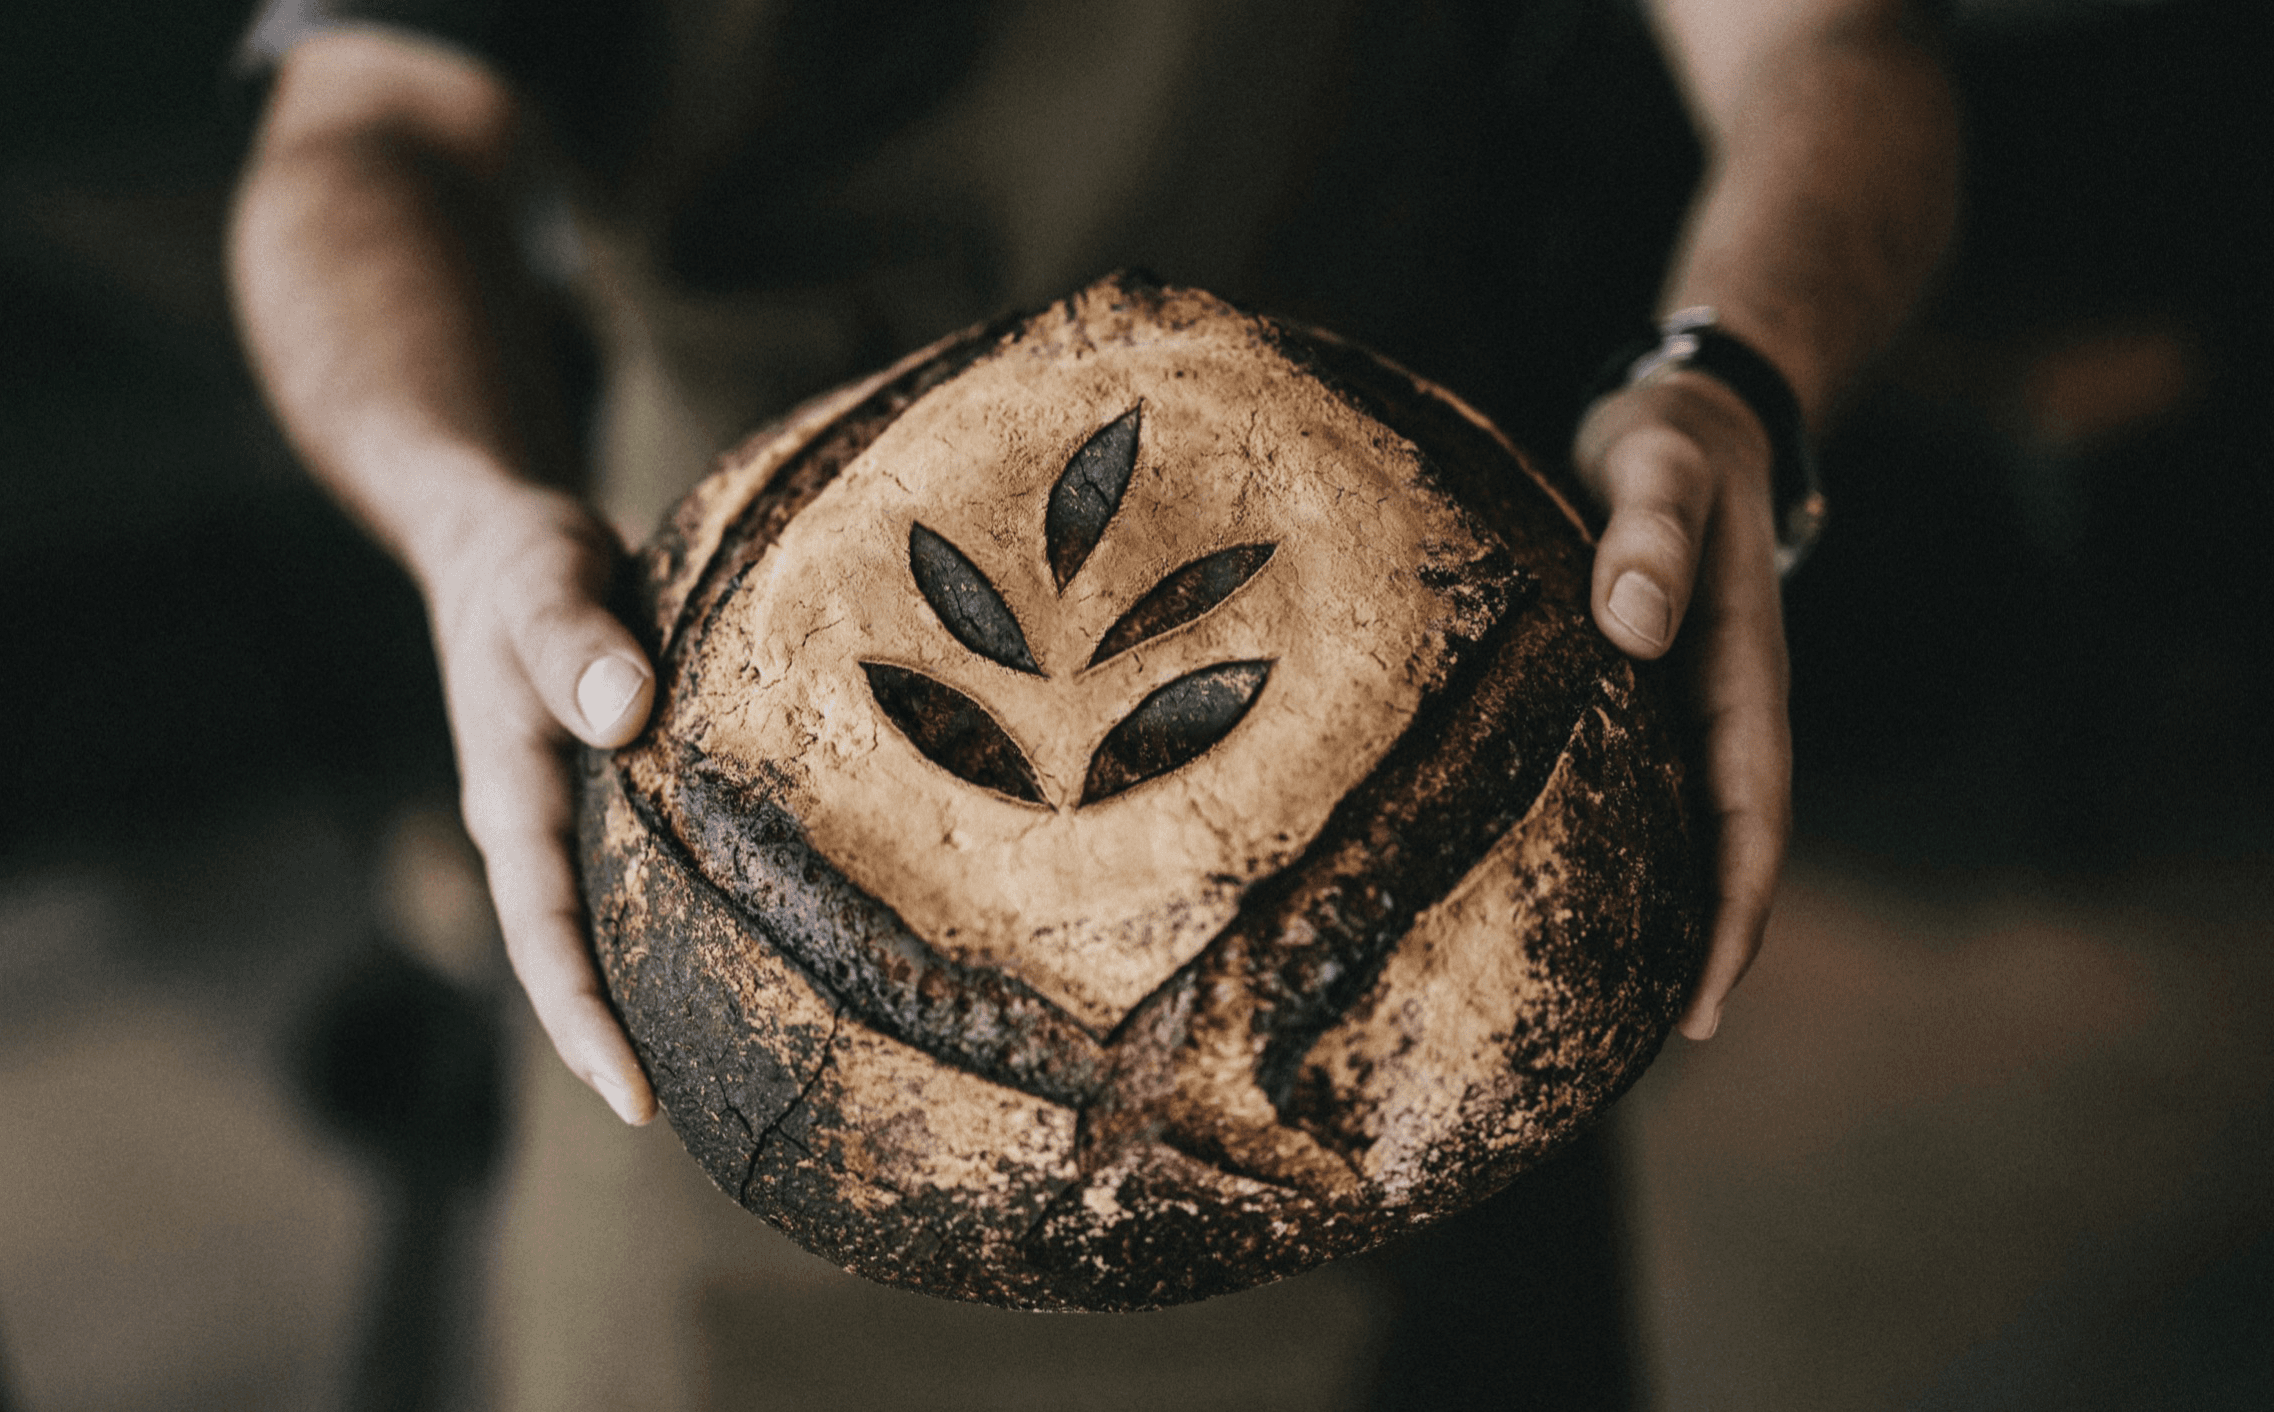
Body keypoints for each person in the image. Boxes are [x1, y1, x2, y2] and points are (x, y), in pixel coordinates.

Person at [227, 0, 1957, 1401]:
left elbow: (1833, 51)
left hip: (1398, 694)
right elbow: (356, 135)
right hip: (720, 749)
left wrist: (1727, 380)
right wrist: (465, 518)